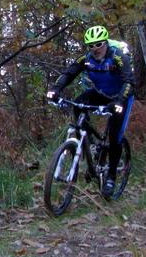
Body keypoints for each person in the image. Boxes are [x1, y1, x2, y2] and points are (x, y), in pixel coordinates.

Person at [46, 25, 135, 197]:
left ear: (106, 43)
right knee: (78, 104)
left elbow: (129, 82)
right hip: (101, 94)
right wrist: (55, 89)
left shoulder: (118, 57)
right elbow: (69, 73)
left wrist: (119, 101)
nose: (95, 49)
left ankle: (111, 177)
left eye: (99, 44)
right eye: (91, 45)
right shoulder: (86, 59)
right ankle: (90, 144)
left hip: (121, 97)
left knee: (115, 136)